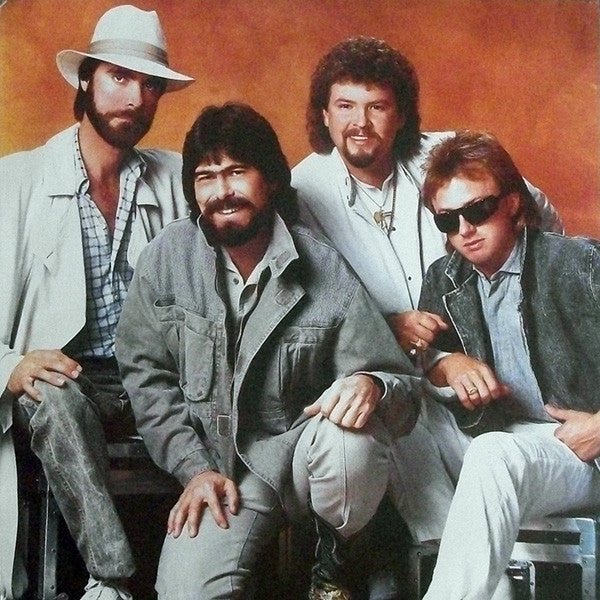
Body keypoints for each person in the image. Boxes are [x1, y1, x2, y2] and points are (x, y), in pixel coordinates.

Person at [114, 102, 421, 600]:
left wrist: (372, 384)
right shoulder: (167, 258)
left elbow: (402, 387)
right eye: (206, 177)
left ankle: (338, 562)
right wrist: (194, 469)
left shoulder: (323, 266)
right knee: (186, 593)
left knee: (352, 442)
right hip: (226, 473)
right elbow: (145, 376)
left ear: (272, 180)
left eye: (237, 172)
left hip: (307, 464)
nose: (222, 191)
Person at [0, 5, 193, 599]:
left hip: (151, 379)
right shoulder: (18, 182)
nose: (135, 98)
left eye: (150, 84)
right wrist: (11, 365)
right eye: (119, 77)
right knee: (51, 396)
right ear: (86, 79)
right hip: (71, 380)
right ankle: (112, 580)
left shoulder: (175, 178)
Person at [413, 130, 600, 600]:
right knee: (400, 414)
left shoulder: (576, 263)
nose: (464, 230)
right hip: (503, 439)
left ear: (513, 203)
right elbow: (426, 362)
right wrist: (448, 363)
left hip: (581, 447)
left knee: (492, 454)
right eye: (447, 220)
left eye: (478, 210)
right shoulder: (445, 279)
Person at [291, 36, 563, 358]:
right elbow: (305, 307)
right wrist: (383, 327)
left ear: (401, 116)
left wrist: (525, 302)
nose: (361, 123)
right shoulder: (301, 190)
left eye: (377, 107)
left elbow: (535, 211)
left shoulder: (447, 156)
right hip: (379, 363)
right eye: (345, 106)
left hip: (484, 351)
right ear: (325, 114)